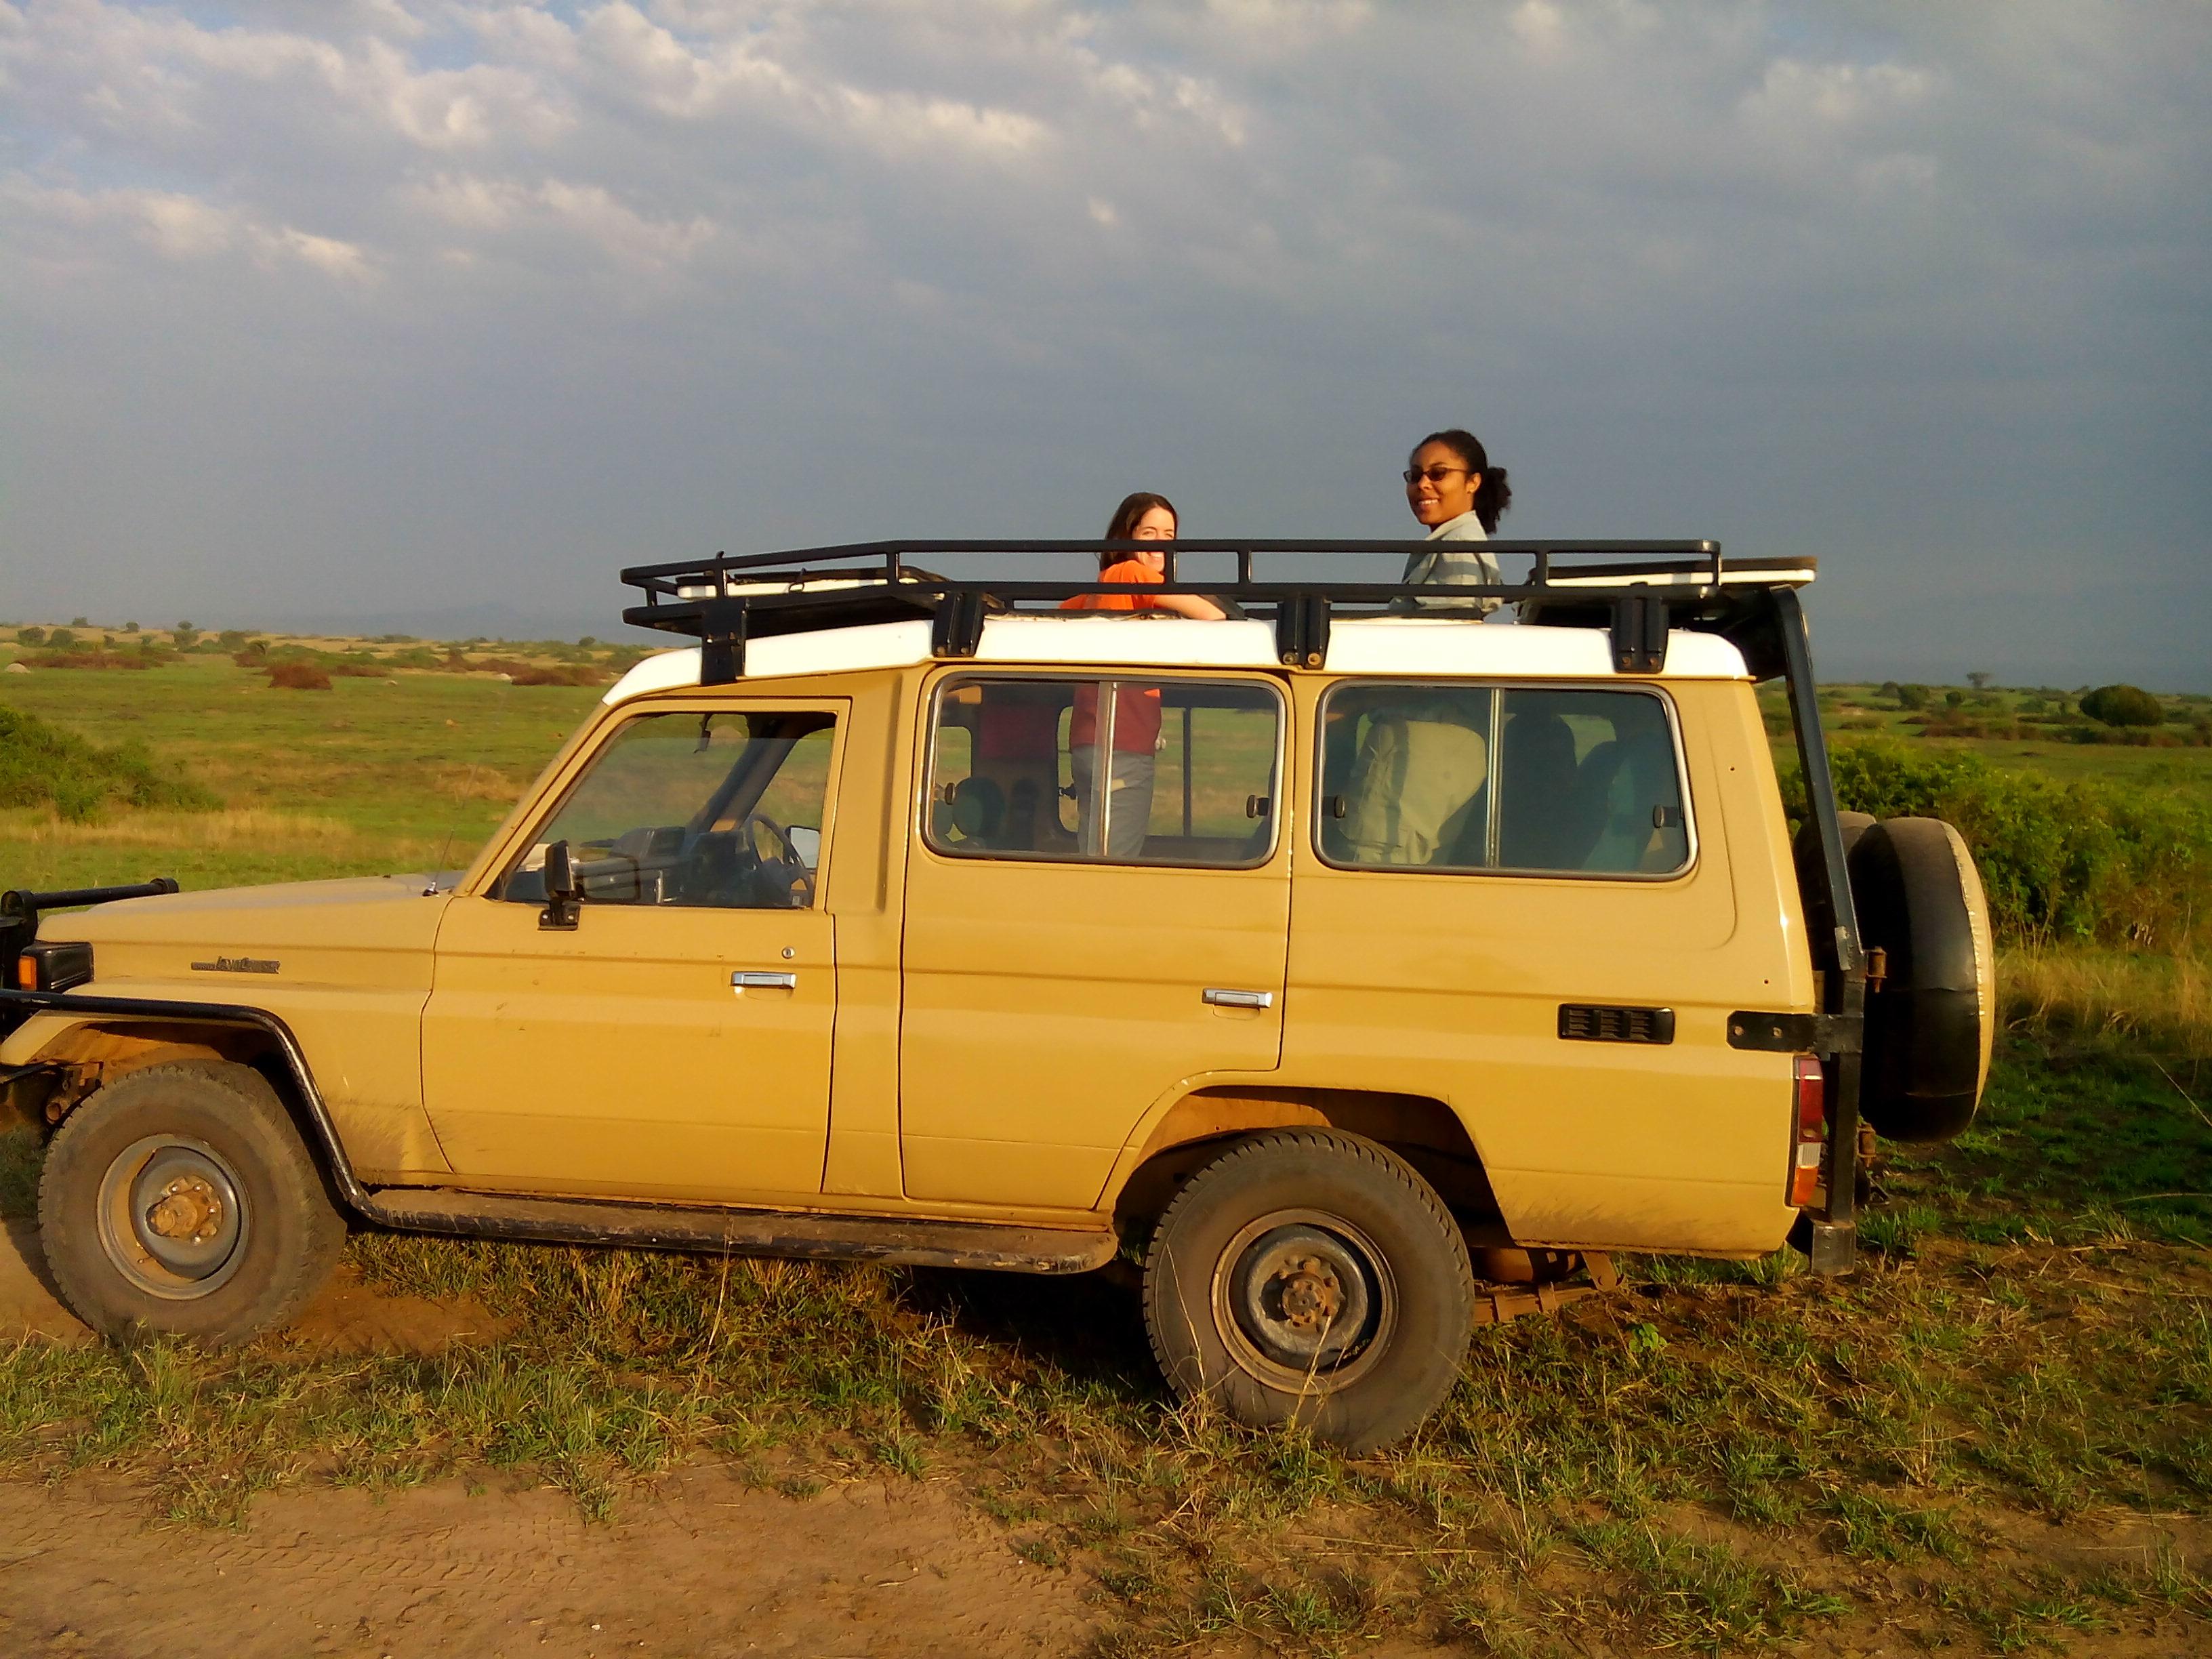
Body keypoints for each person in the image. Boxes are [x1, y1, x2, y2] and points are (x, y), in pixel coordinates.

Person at [1059, 493, 1224, 856]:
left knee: (1094, 850)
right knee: (1115, 861)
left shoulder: (1096, 589)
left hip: (1090, 743)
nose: (1160, 546)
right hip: (1123, 746)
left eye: (1169, 536)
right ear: (1125, 538)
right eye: (1149, 534)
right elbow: (1215, 618)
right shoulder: (1131, 575)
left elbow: (1058, 618)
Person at [1395, 429, 1513, 615]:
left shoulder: (1459, 546)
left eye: (1438, 473)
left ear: (1473, 482)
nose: (1423, 484)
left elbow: (1450, 629)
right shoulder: (1449, 541)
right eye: (1416, 476)